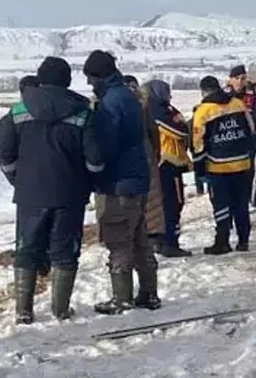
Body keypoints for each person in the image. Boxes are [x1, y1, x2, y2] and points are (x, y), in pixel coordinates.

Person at [0, 58, 104, 324]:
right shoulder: (83, 113)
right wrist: (88, 180)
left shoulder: (18, 111)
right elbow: (95, 160)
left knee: (27, 249)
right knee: (65, 251)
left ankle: (23, 311)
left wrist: (17, 179)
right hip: (70, 195)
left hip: (30, 194)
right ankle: (60, 309)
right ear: (67, 80)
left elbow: (4, 152)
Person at [83, 50, 160, 314]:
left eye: (90, 79)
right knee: (139, 239)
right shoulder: (128, 96)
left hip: (118, 182)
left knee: (119, 240)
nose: (90, 85)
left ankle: (122, 297)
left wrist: (93, 167)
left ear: (97, 75)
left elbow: (106, 146)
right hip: (137, 178)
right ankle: (149, 293)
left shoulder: (110, 103)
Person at [192, 76, 256, 254]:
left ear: (204, 91)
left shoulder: (203, 111)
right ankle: (243, 241)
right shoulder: (237, 103)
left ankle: (222, 241)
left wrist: (199, 170)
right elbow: (251, 130)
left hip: (218, 167)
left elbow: (198, 143)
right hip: (242, 164)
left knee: (221, 206)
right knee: (241, 204)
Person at [143, 79, 193, 257]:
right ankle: (169, 242)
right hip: (167, 163)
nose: (170, 95)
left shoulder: (162, 108)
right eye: (167, 91)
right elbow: (179, 129)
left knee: (164, 204)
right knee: (172, 204)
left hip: (167, 162)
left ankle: (161, 240)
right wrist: (181, 124)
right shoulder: (157, 110)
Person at [126, 75, 167, 254]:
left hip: (122, 163)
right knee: (151, 201)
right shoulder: (144, 105)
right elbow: (154, 132)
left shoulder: (109, 104)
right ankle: (152, 241)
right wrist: (155, 153)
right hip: (146, 156)